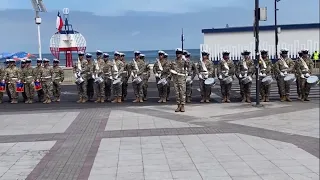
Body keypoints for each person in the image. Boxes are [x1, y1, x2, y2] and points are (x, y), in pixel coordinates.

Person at [170, 48, 188, 112]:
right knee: (177, 93)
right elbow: (170, 69)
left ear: (181, 54)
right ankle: (178, 105)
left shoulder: (184, 61)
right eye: (177, 53)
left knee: (182, 92)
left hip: (182, 79)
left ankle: (182, 106)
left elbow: (188, 66)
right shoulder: (173, 61)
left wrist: (185, 59)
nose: (177, 54)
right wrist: (171, 72)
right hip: (175, 79)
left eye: (179, 53)